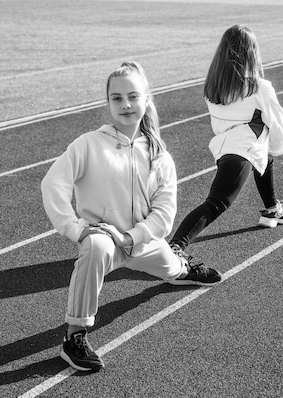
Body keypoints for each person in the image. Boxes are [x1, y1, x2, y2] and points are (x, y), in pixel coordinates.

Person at [41, 61, 223, 372]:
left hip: (142, 242)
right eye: (117, 98)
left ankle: (181, 268)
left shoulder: (159, 155)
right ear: (108, 103)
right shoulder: (88, 145)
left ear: (147, 98)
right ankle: (74, 337)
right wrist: (75, 229)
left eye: (133, 96)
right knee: (96, 248)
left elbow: (164, 213)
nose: (125, 104)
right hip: (105, 240)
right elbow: (52, 183)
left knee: (173, 267)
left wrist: (131, 237)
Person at [169, 24, 283, 255]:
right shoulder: (259, 87)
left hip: (224, 146)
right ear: (251, 53)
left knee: (262, 152)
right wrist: (278, 146)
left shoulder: (213, 87)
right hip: (240, 151)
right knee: (216, 203)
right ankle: (175, 246)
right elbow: (276, 122)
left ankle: (272, 209)